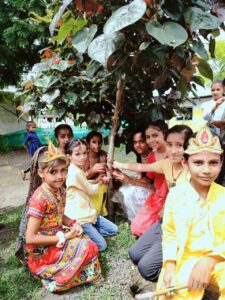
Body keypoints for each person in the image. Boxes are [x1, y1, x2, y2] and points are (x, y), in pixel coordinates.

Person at [18, 142, 103, 292]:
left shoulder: (59, 190)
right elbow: (30, 238)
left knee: (86, 241)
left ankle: (83, 274)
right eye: (53, 172)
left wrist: (73, 223)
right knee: (87, 246)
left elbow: (59, 214)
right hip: (42, 251)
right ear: (41, 173)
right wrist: (64, 238)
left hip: (57, 237)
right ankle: (59, 279)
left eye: (63, 170)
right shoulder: (39, 198)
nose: (60, 176)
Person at [157, 126, 225, 299]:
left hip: (220, 260)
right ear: (185, 163)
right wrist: (170, 266)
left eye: (213, 162)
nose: (206, 170)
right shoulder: (175, 195)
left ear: (221, 163)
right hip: (185, 259)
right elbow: (170, 234)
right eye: (198, 162)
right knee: (171, 293)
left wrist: (209, 261)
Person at [128, 125, 193, 282]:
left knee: (146, 269)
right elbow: (142, 167)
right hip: (165, 221)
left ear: (189, 146)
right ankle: (163, 248)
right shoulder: (167, 163)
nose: (173, 150)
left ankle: (185, 273)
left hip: (181, 228)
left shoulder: (194, 170)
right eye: (170, 145)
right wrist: (117, 164)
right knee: (134, 254)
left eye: (179, 145)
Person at [64, 138, 118, 251]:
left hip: (89, 215)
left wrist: (97, 181)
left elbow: (85, 184)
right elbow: (91, 190)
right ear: (69, 156)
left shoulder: (76, 169)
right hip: (80, 219)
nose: (82, 157)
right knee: (102, 246)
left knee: (114, 229)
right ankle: (79, 235)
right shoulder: (75, 172)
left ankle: (88, 234)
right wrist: (101, 182)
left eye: (84, 153)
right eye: (77, 154)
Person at [112, 129, 152, 221]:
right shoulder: (140, 156)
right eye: (135, 142)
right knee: (123, 188)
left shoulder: (153, 157)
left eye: (141, 141)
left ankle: (138, 219)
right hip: (147, 187)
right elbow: (140, 178)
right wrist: (124, 177)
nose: (138, 145)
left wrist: (130, 180)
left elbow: (152, 185)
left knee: (129, 192)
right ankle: (131, 218)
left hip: (156, 192)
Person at [84, 131, 108, 216]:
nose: (97, 145)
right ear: (88, 144)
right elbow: (82, 177)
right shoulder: (85, 157)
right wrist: (93, 171)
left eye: (99, 142)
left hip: (103, 185)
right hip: (89, 187)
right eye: (94, 142)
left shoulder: (103, 155)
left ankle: (103, 211)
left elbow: (111, 167)